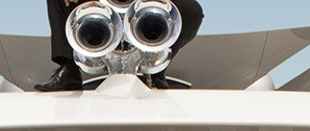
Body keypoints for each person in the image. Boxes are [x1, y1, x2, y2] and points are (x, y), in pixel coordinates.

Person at [35, 0, 205, 91]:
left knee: (191, 11)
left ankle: (154, 69)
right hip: (102, 4)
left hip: (143, 4)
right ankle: (69, 71)